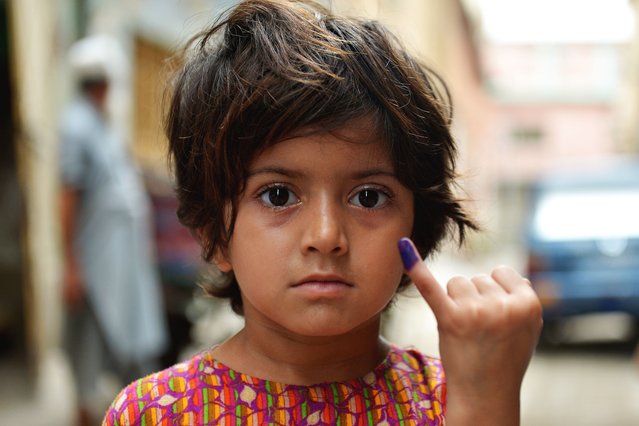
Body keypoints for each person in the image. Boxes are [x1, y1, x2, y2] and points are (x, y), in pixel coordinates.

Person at [103, 1, 542, 424]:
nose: (327, 234)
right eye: (278, 195)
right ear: (214, 233)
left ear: (417, 227)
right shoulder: (158, 412)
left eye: (368, 197)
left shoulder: (454, 399)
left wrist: (487, 402)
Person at [59, 35, 168, 426]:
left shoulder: (100, 124)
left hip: (119, 261)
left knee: (125, 335)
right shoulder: (76, 126)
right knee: (89, 340)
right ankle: (84, 413)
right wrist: (71, 264)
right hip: (94, 260)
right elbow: (67, 197)